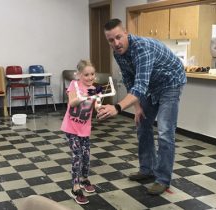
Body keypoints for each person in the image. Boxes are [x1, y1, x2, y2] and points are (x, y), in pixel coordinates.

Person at [97, 18, 186, 195]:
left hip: (171, 83)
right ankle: (147, 170)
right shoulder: (118, 53)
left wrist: (117, 107)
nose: (116, 43)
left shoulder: (142, 48)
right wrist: (137, 108)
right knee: (142, 124)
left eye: (119, 37)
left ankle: (162, 179)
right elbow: (131, 81)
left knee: (165, 132)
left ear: (126, 33)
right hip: (151, 86)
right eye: (111, 40)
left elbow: (140, 87)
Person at [60, 60, 100, 205]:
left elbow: (97, 106)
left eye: (92, 74)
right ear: (79, 75)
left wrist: (101, 107)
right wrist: (83, 96)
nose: (90, 77)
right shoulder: (74, 85)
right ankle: (75, 187)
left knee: (86, 154)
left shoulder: (95, 88)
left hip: (84, 128)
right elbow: (72, 103)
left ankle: (84, 179)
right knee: (77, 154)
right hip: (70, 127)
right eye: (86, 75)